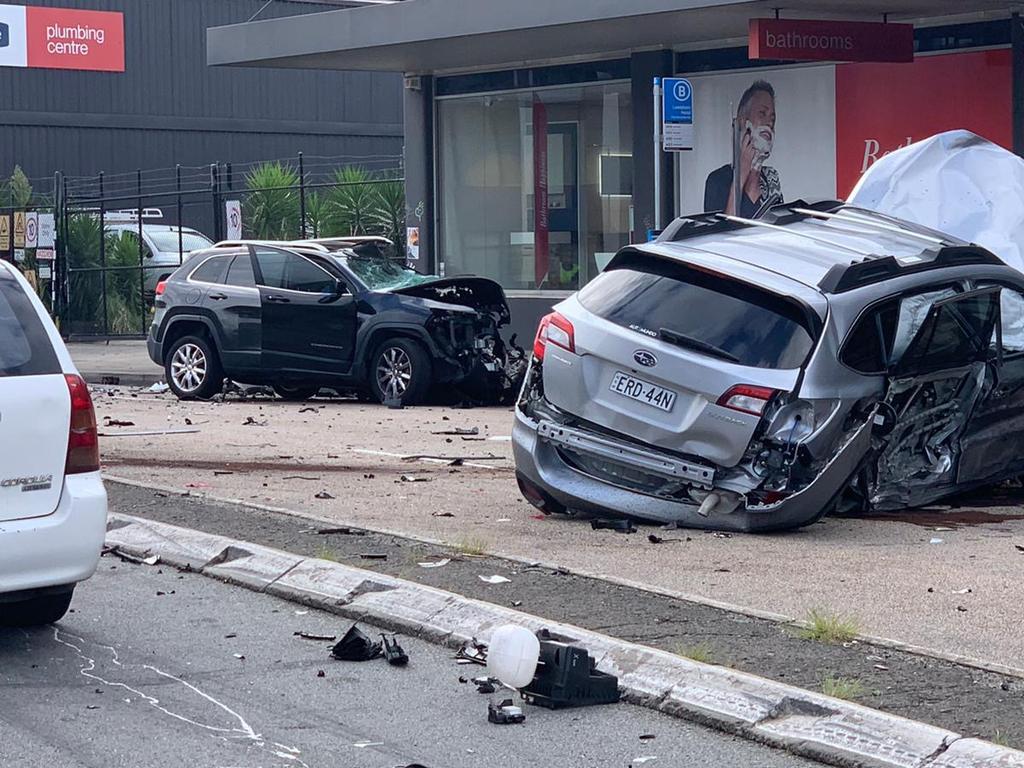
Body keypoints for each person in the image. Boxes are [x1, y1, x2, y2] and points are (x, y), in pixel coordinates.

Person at [703, 80, 783, 218]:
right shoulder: (718, 180)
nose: (769, 122)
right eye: (762, 113)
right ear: (742, 121)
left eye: (773, 119)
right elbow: (722, 235)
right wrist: (741, 175)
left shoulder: (771, 178)